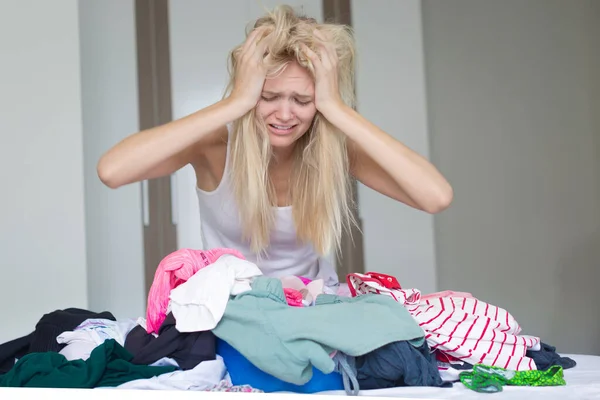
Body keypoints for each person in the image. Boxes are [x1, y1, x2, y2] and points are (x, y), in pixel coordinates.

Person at [96, 5, 453, 289]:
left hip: (314, 306)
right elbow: (112, 171)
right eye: (268, 97)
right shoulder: (215, 147)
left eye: (302, 99)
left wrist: (337, 108)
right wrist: (234, 103)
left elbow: (435, 196)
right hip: (233, 310)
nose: (284, 114)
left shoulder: (333, 151)